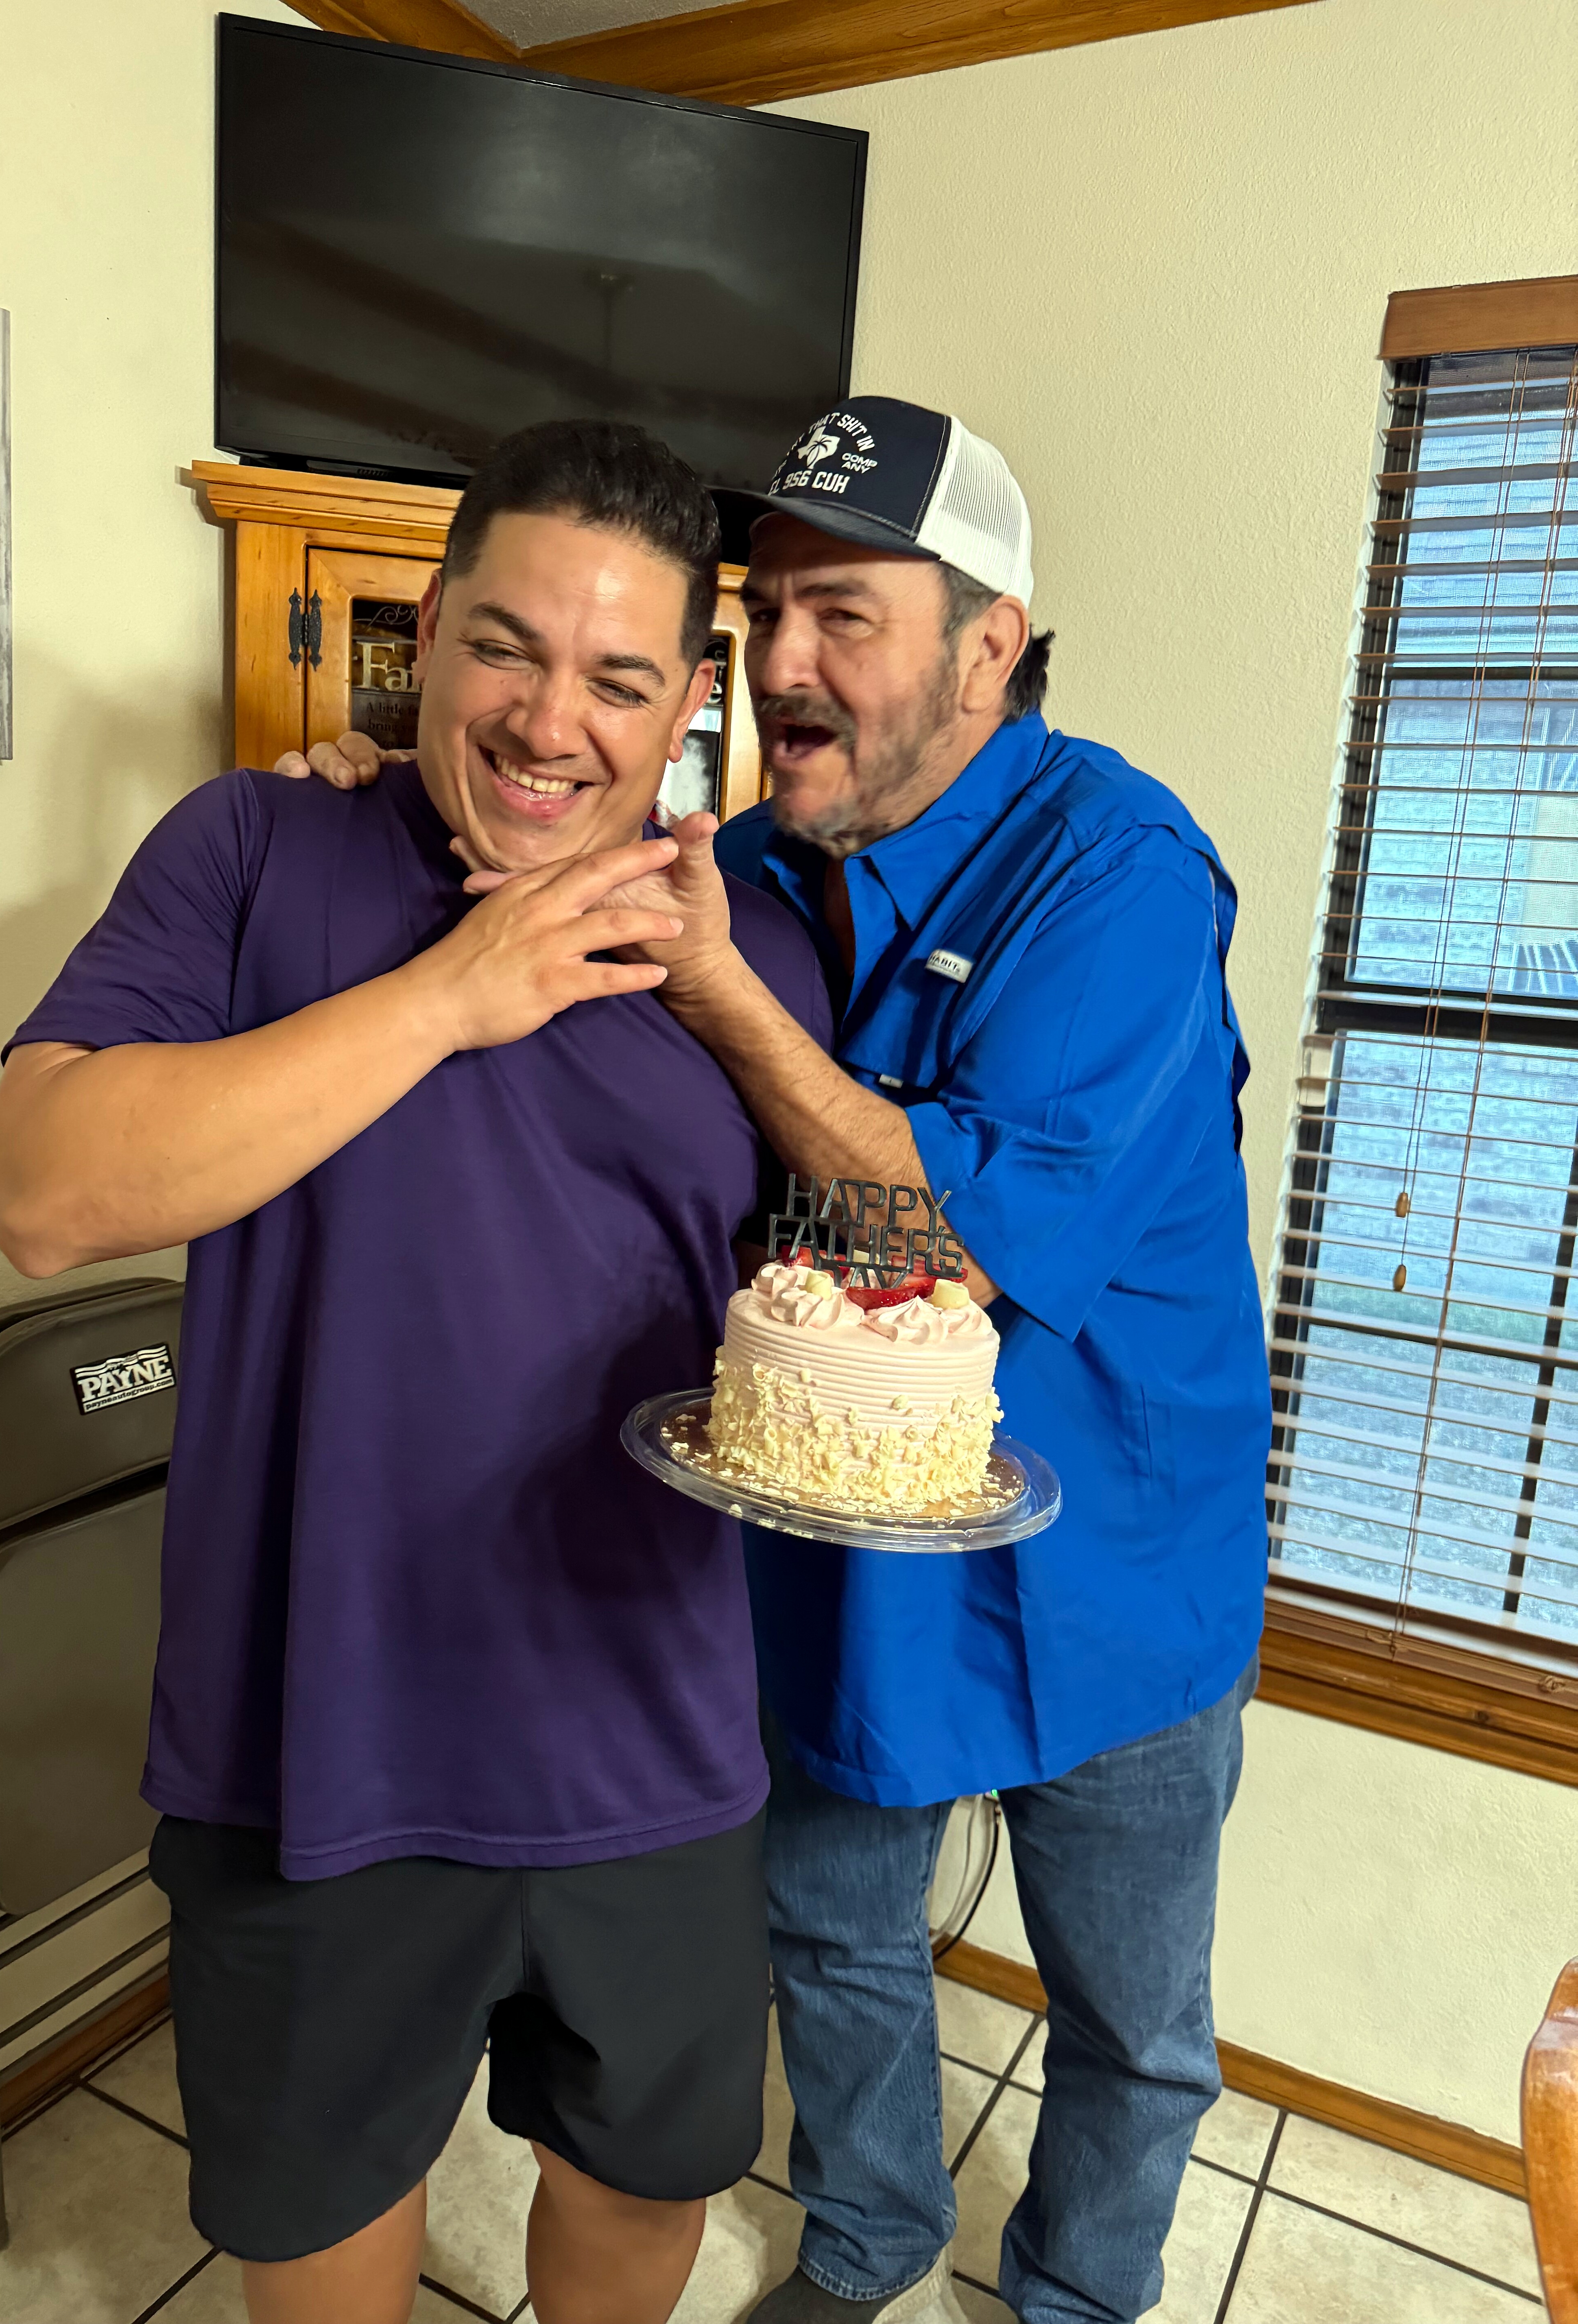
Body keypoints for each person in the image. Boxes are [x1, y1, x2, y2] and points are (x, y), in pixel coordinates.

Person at [297, 397, 1273, 2324]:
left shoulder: (1123, 872)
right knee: (831, 1930)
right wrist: (374, 801)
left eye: (849, 617)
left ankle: (1081, 2293)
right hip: (833, 1527)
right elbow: (512, 906)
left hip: (1114, 1555)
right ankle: (868, 2239)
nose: (787, 665)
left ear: (988, 648)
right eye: (770, 616)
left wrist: (724, 993)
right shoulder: (736, 859)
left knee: (1130, 2007)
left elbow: (962, 1244)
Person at [0, 419, 831, 2324]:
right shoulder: (256, 846)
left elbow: (836, 1297)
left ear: (688, 702)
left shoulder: (752, 948)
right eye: (506, 647)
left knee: (646, 2183)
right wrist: (451, 995)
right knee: (322, 2219)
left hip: (652, 1735)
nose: (552, 722)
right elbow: (44, 1194)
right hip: (313, 1737)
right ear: (427, 636)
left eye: (619, 679)